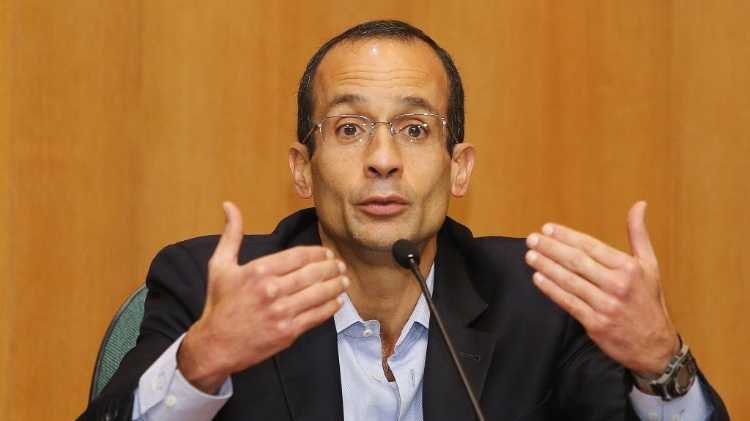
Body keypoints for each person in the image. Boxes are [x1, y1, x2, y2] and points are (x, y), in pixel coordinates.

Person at [79, 20, 729, 421]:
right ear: (302, 169)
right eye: (350, 128)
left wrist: (661, 364)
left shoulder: (539, 303)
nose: (383, 159)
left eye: (415, 129)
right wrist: (199, 363)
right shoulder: (206, 287)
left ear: (459, 168)